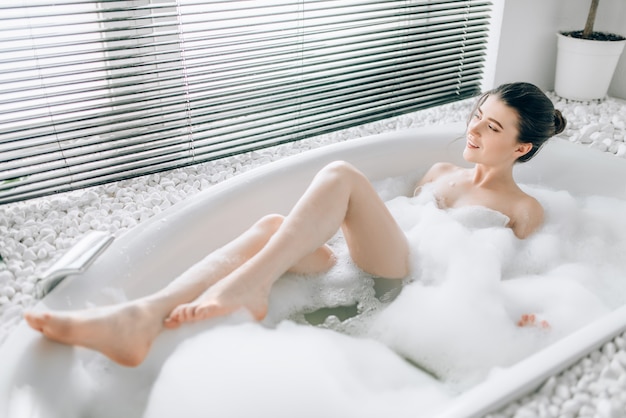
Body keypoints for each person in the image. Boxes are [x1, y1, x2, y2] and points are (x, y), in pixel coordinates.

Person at [24, 82, 567, 367]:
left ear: (521, 146)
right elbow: (383, 221)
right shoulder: (441, 171)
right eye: (476, 114)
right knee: (268, 226)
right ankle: (138, 320)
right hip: (372, 262)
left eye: (491, 127)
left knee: (341, 175)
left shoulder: (524, 210)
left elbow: (512, 272)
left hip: (418, 283)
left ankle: (250, 285)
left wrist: (518, 320)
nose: (473, 129)